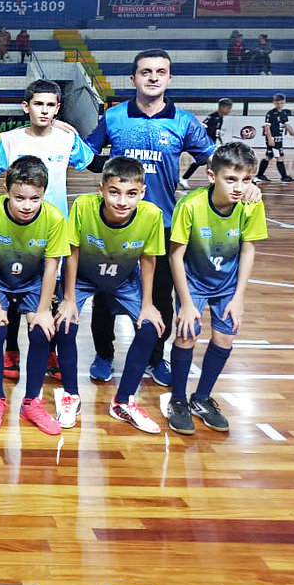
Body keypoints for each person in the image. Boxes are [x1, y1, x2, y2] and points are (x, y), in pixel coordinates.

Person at [83, 49, 217, 388]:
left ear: (169, 78)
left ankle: (155, 358)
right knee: (105, 294)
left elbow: (214, 159)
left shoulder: (184, 121)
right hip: (114, 222)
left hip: (164, 224)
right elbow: (86, 155)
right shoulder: (114, 117)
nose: (153, 77)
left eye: (160, 72)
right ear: (134, 79)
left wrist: (247, 182)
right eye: (146, 72)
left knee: (160, 298)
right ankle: (103, 354)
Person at [0, 79, 94, 380]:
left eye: (50, 105)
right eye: (38, 104)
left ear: (58, 108)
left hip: (54, 228)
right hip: (15, 230)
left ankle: (49, 351)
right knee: (13, 292)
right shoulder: (8, 141)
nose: (44, 110)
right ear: (26, 106)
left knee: (52, 292)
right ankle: (11, 350)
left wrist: (69, 129)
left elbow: (88, 160)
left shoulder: (66, 140)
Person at [56, 156, 166, 434]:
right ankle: (70, 394)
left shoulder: (152, 215)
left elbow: (148, 259)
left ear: (142, 192)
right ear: (101, 189)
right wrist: (69, 298)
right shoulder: (83, 207)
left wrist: (148, 304)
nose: (122, 201)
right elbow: (72, 251)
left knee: (150, 326)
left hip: (124, 280)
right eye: (114, 192)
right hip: (82, 277)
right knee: (65, 322)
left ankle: (124, 401)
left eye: (131, 194)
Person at [166, 142, 267, 436]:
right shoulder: (191, 205)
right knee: (187, 335)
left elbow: (248, 250)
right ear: (211, 176)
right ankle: (178, 400)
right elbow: (175, 255)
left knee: (224, 339)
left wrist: (239, 298)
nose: (239, 187)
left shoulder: (251, 205)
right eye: (231, 179)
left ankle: (202, 398)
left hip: (227, 285)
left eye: (246, 180)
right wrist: (185, 303)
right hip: (193, 282)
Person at [0, 156, 70, 435]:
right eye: (20, 198)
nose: (27, 206)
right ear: (6, 190)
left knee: (41, 332)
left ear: (43, 194)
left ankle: (31, 402)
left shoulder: (52, 218)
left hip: (33, 282)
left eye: (34, 199)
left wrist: (42, 311)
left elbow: (53, 266)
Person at [179, 98, 232, 189]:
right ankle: (185, 178)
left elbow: (217, 133)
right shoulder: (212, 118)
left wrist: (220, 142)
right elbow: (202, 128)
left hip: (211, 145)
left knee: (206, 163)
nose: (229, 111)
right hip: (206, 146)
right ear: (222, 107)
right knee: (211, 162)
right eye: (228, 108)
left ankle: (185, 178)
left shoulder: (220, 118)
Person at [255, 93, 294, 184]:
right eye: (278, 103)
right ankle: (284, 177)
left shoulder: (283, 113)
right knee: (280, 157)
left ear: (284, 103)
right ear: (274, 103)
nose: (279, 105)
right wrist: (270, 138)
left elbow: (287, 125)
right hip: (274, 139)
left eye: (281, 103)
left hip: (279, 139)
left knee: (269, 156)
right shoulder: (271, 113)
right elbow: (267, 127)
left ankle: (259, 175)